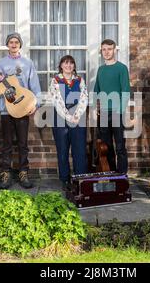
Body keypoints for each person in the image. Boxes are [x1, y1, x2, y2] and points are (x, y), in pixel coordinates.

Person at [0, 32, 41, 190]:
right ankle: (5, 173)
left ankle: (23, 173)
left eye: (16, 42)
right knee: (6, 144)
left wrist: (35, 105)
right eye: (11, 42)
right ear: (7, 45)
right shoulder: (0, 63)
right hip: (7, 109)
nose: (13, 44)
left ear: (20, 45)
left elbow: (35, 88)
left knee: (22, 144)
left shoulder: (28, 63)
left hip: (23, 109)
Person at [49, 55, 88, 190]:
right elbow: (57, 101)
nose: (68, 65)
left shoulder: (80, 80)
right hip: (60, 119)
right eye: (66, 63)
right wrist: (68, 117)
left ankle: (80, 179)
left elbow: (84, 98)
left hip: (78, 118)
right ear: (61, 65)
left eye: (71, 63)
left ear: (74, 66)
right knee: (63, 150)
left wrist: (76, 115)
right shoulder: (55, 80)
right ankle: (65, 180)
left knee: (80, 150)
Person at [93, 39, 130, 174]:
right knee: (106, 147)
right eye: (104, 49)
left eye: (109, 49)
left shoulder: (121, 68)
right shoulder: (101, 69)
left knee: (120, 146)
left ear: (114, 50)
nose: (106, 52)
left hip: (116, 112)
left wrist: (120, 112)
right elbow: (96, 89)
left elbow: (126, 91)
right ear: (101, 51)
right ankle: (112, 174)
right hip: (103, 113)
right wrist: (93, 108)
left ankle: (122, 176)